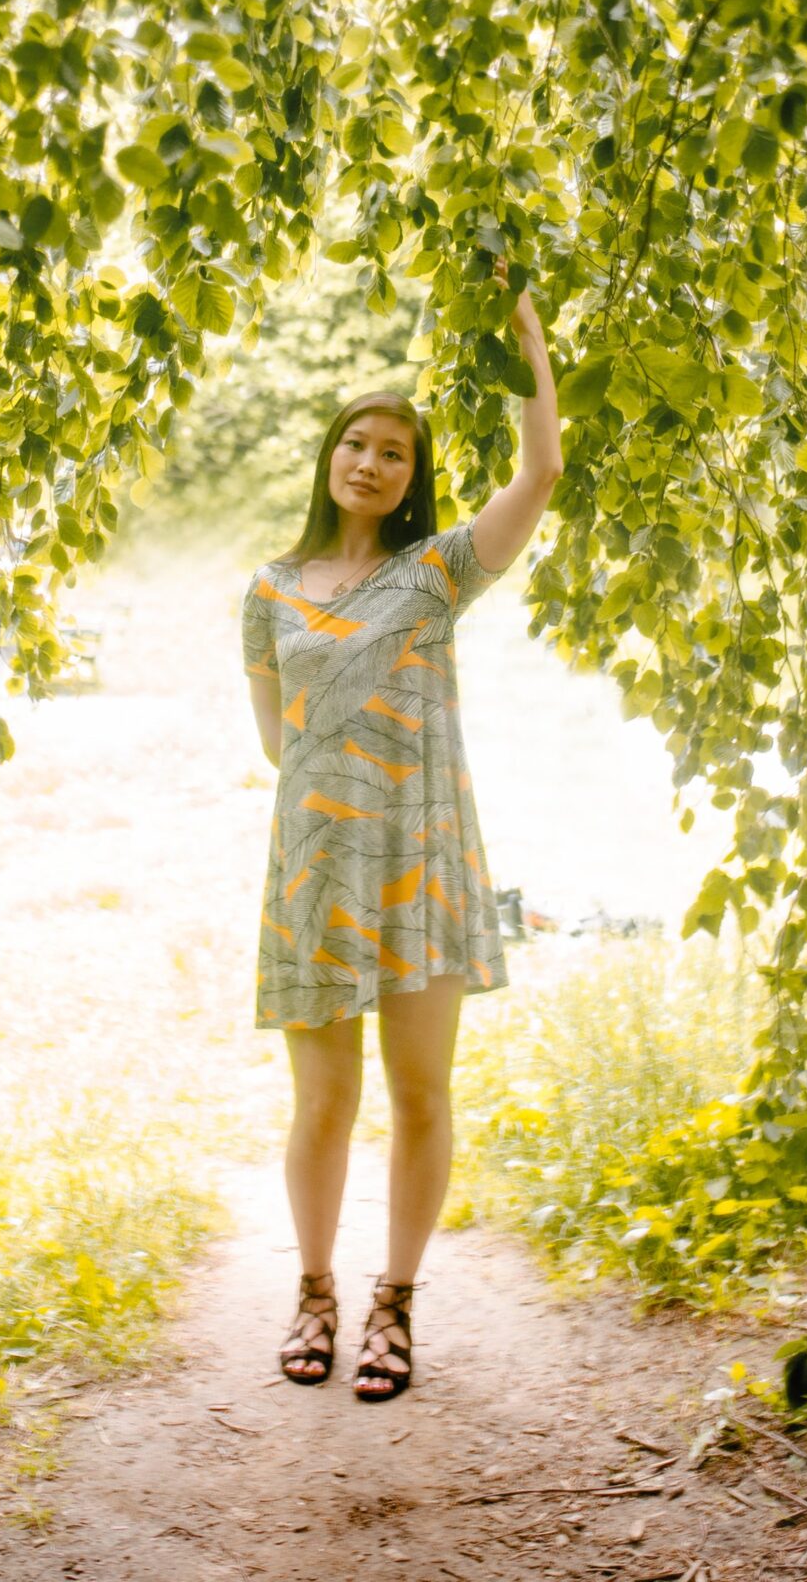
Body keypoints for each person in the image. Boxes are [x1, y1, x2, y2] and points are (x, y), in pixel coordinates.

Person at [240, 254, 562, 1400]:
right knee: (322, 1100)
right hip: (319, 871)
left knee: (422, 1092)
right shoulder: (271, 589)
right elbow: (279, 741)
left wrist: (519, 318)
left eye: (394, 452)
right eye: (355, 444)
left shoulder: (437, 574)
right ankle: (315, 1293)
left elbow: (543, 467)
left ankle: (395, 1303)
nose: (370, 463)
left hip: (422, 864)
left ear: (412, 476)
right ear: (329, 458)